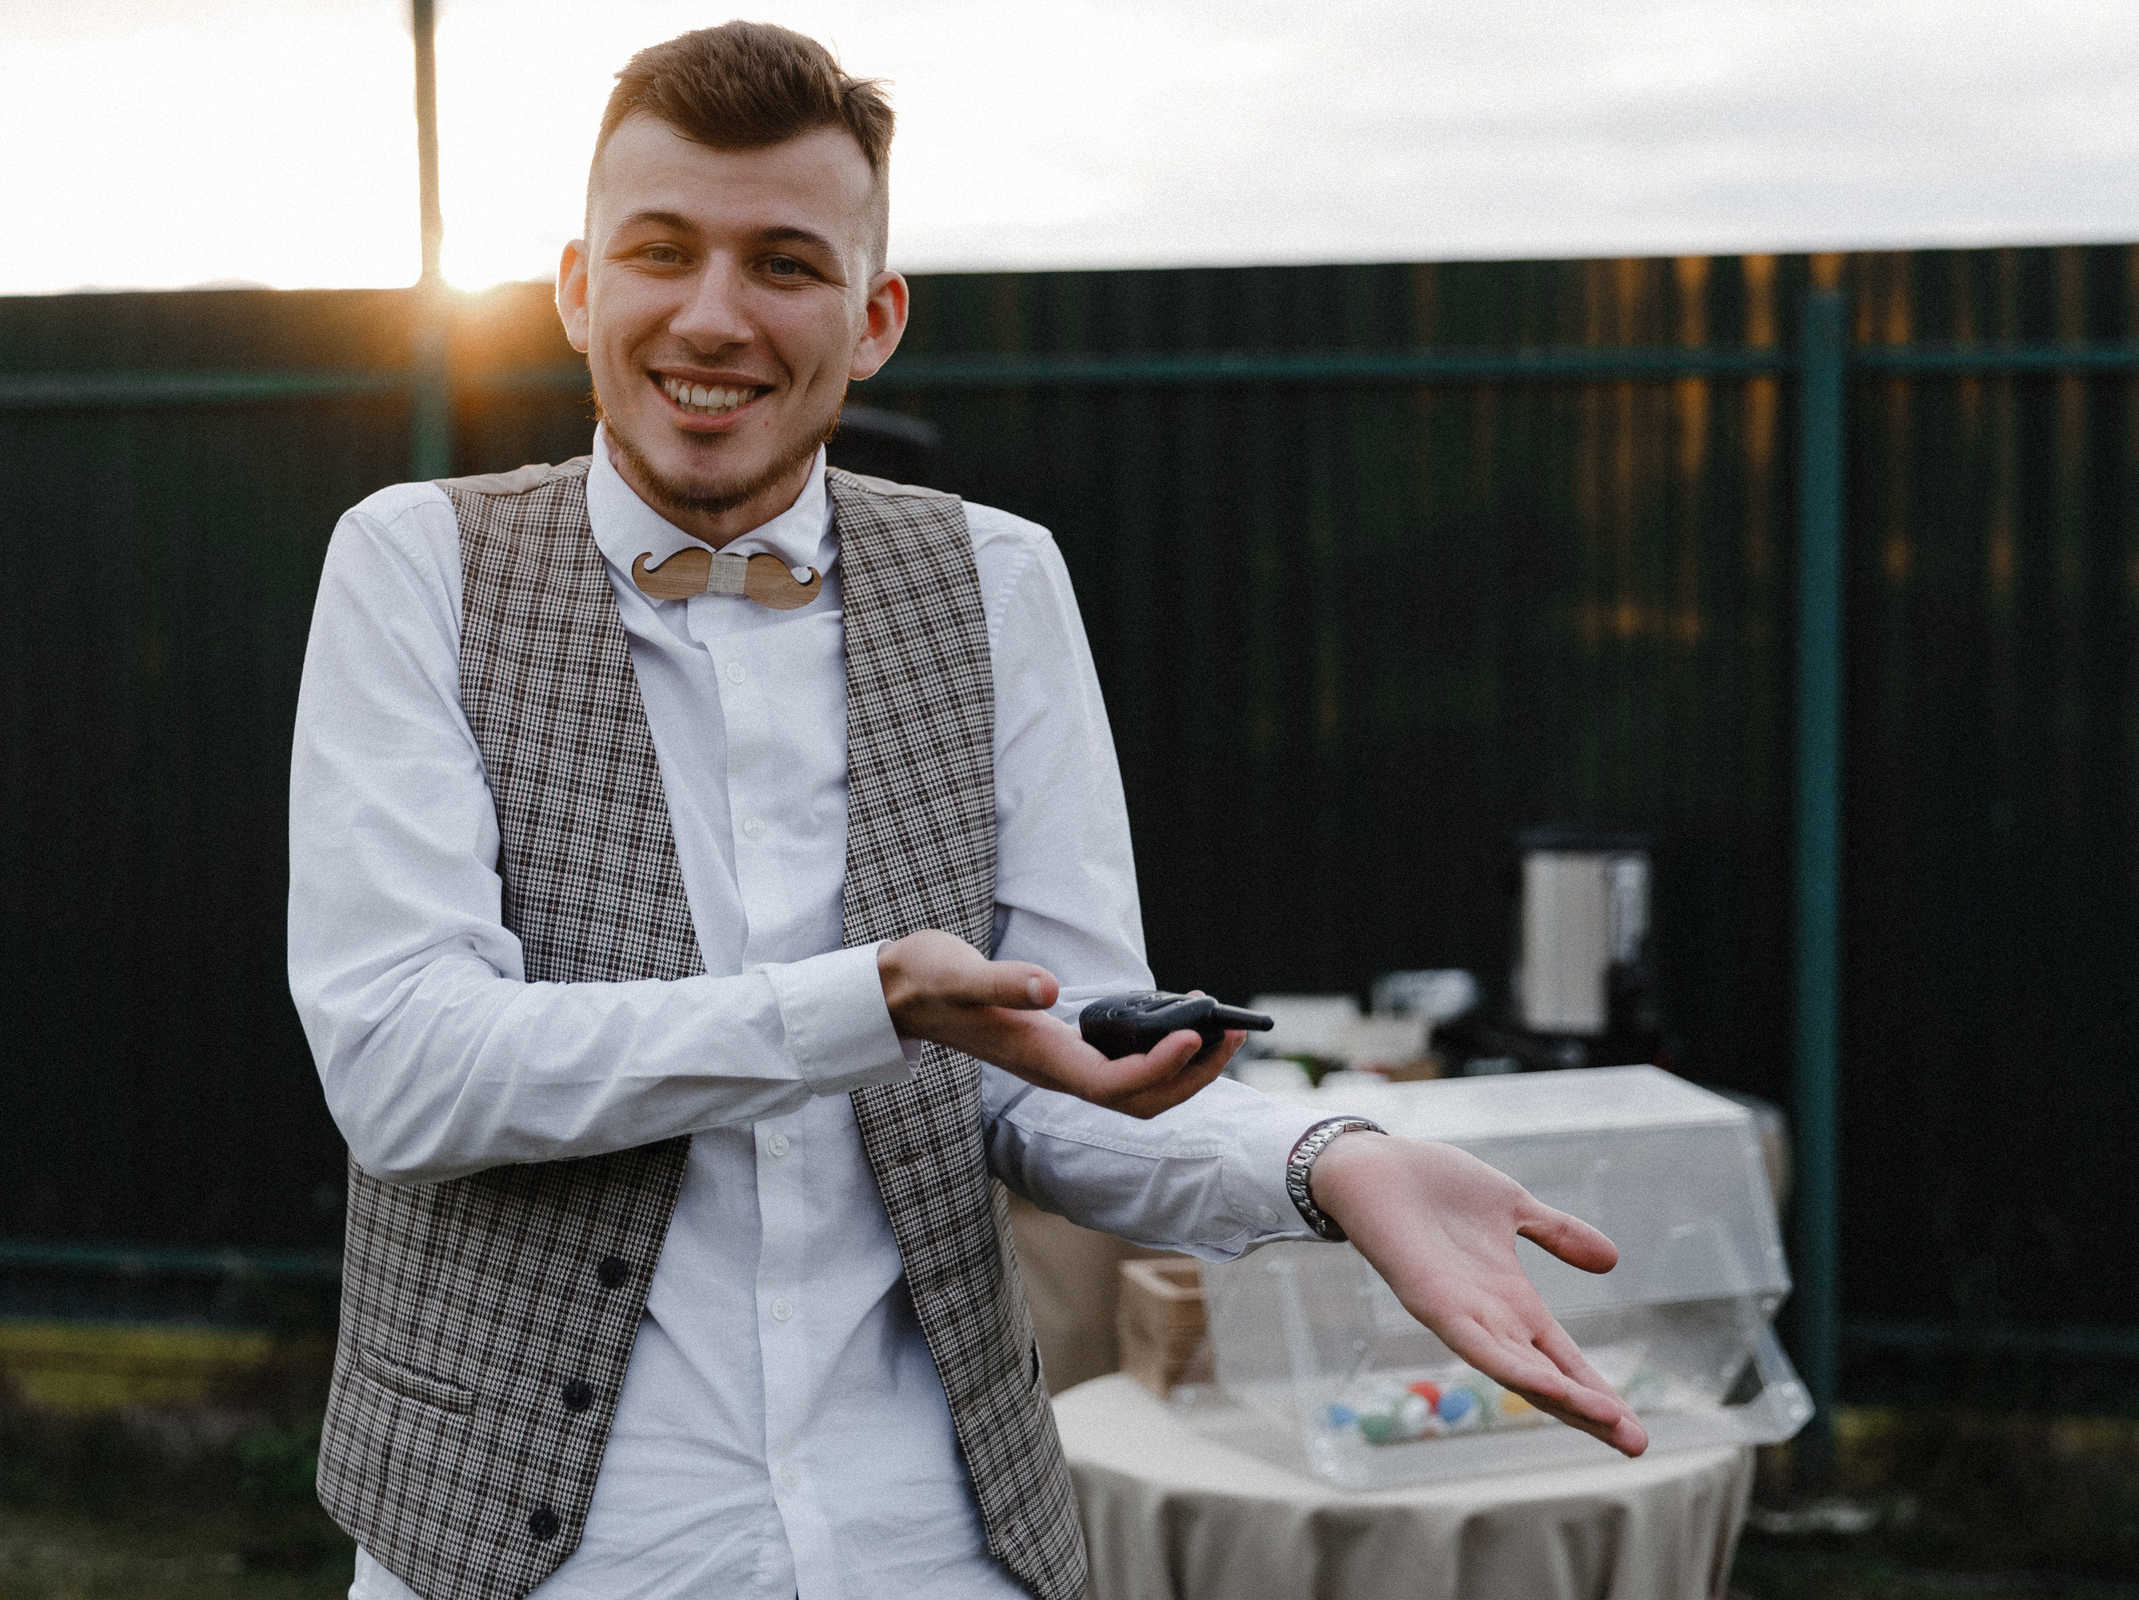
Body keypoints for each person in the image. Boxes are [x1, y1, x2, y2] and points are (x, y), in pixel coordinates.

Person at [287, 22, 1646, 1600]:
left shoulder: (1002, 581)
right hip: (539, 1553)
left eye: (784, 264)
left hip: (933, 1544)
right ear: (581, 286)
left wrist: (1323, 1161)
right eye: (662, 252)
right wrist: (868, 1004)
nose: (712, 316)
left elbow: (1058, 1081)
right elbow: (404, 1070)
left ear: (872, 321)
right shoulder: (414, 563)